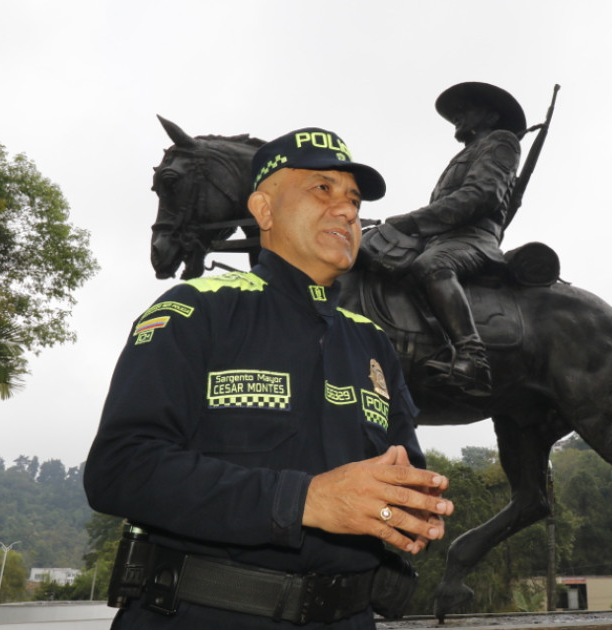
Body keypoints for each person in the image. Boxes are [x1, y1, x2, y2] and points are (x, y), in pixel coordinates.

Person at [84, 127, 454, 630]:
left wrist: (409, 508)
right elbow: (119, 470)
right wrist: (304, 502)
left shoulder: (372, 343)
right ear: (264, 210)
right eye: (322, 189)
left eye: (354, 200)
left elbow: (401, 471)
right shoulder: (197, 310)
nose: (347, 211)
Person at [384, 82, 526, 397]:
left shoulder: (501, 142)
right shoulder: (464, 154)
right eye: (457, 111)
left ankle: (473, 356)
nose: (458, 115)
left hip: (473, 240)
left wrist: (412, 221)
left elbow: (482, 195)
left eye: (466, 108)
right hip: (439, 238)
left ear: (490, 116)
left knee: (433, 266)